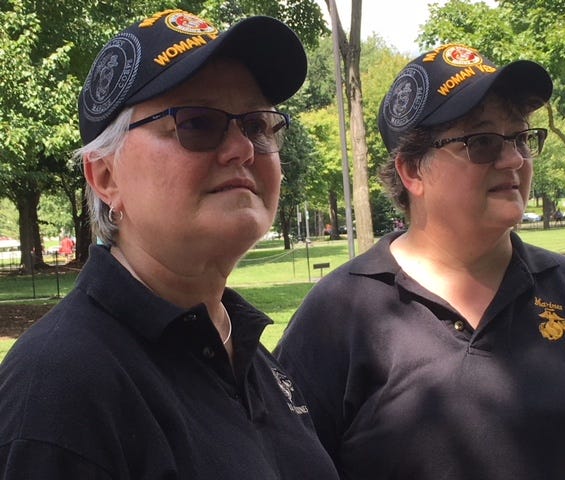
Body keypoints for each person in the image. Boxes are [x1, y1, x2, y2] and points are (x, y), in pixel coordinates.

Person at [0, 9, 339, 479]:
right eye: (198, 123)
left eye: (257, 126)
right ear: (105, 176)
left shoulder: (247, 354)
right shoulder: (62, 386)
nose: (242, 148)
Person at [275, 44, 565, 479]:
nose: (514, 159)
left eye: (521, 137)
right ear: (412, 171)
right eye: (482, 142)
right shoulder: (338, 316)